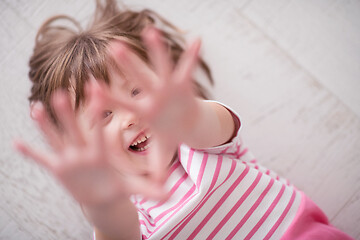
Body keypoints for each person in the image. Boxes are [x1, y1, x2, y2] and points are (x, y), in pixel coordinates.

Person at [14, 0, 354, 239]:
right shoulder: (128, 209)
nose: (131, 115)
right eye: (104, 114)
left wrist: (186, 112)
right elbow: (117, 230)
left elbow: (207, 123)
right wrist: (100, 201)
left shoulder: (201, 145)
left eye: (136, 91)